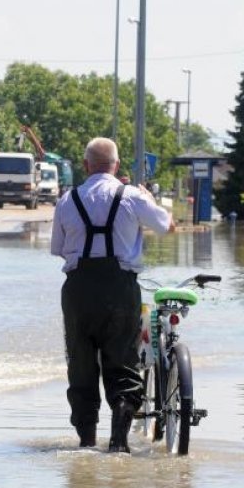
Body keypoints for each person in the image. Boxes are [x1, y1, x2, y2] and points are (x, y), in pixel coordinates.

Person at [51, 137, 175, 452]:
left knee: (80, 365)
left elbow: (57, 249)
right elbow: (167, 226)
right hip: (120, 290)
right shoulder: (132, 196)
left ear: (85, 165)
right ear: (116, 166)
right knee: (122, 364)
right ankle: (118, 443)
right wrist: (149, 199)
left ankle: (86, 442)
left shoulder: (67, 200)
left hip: (78, 291)